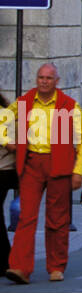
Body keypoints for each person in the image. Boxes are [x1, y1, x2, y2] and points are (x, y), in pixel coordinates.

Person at [5, 64, 82, 284]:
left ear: (57, 81)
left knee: (57, 219)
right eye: (40, 77)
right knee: (26, 217)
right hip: (32, 163)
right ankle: (20, 267)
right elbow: (3, 118)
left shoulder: (68, 106)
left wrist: (78, 171)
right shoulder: (24, 102)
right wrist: (7, 142)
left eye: (48, 78)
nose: (44, 81)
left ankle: (56, 266)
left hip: (59, 164)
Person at [0, 96, 16, 273]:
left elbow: (10, 145)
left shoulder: (4, 115)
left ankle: (5, 260)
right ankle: (5, 260)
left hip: (3, 171)